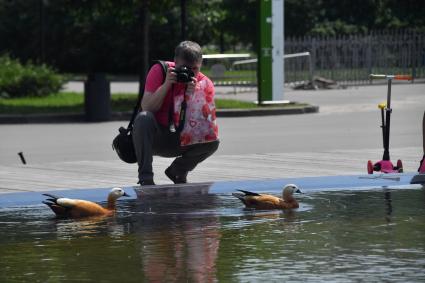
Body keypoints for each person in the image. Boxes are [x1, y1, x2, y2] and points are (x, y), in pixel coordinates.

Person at [132, 41, 219, 185]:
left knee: (213, 141)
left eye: (195, 69)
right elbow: (147, 107)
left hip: (183, 139)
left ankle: (178, 170)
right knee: (143, 118)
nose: (189, 73)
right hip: (156, 137)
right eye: (184, 68)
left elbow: (204, 129)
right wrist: (166, 85)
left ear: (201, 64)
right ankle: (146, 178)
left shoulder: (204, 83)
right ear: (175, 61)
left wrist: (193, 97)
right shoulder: (160, 71)